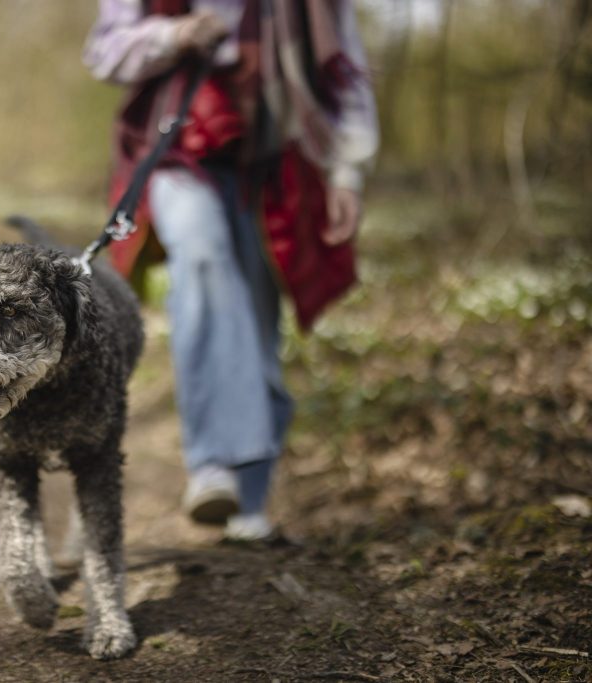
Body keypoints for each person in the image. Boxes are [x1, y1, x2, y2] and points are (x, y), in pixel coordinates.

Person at [83, 0, 378, 540]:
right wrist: (174, 35)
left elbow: (344, 64)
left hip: (275, 162)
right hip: (180, 153)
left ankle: (249, 499)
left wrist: (346, 172)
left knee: (258, 321)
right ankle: (213, 463)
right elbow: (103, 52)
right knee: (202, 263)